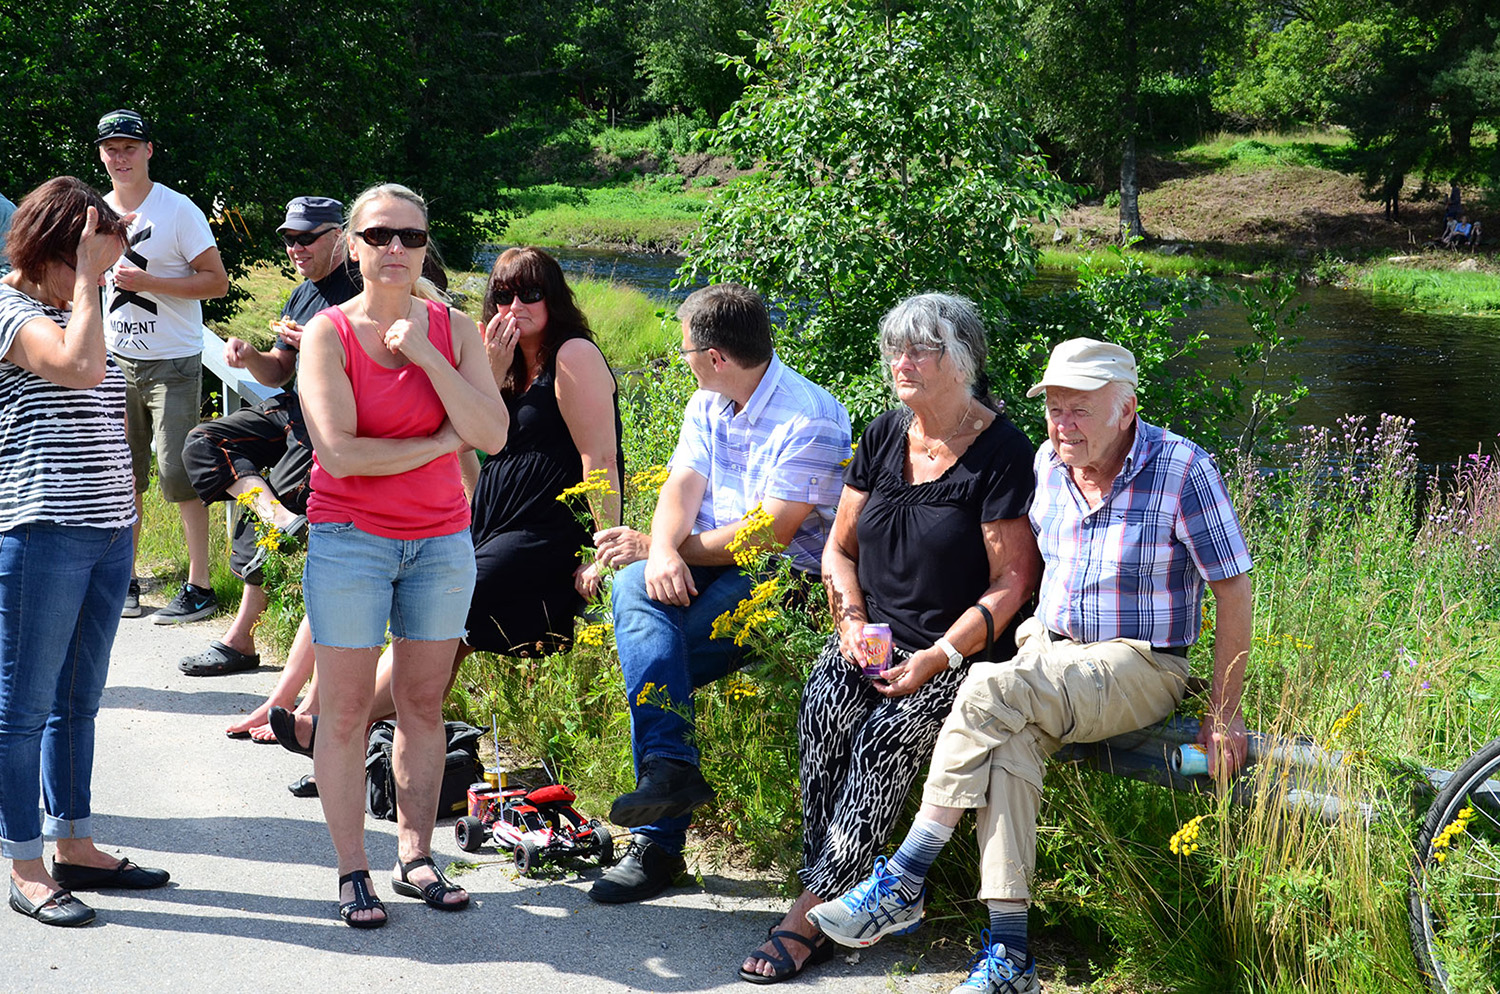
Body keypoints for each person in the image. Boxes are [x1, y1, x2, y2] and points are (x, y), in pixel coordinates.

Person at [807, 338, 1253, 994]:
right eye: (1055, 409)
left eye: (1079, 411)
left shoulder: (1183, 469)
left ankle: (904, 876)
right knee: (1008, 741)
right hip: (1047, 656)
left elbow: (1233, 589)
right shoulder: (1047, 462)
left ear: (1126, 408)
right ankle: (1011, 957)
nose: (1062, 425)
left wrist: (1224, 711)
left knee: (988, 686)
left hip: (1140, 663)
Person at [739, 294, 1041, 984]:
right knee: (824, 710)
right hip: (873, 636)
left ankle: (809, 918)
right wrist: (849, 622)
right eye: (895, 350)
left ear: (960, 361)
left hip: (958, 654)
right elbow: (838, 550)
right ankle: (841, 891)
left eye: (919, 350)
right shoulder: (883, 435)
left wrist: (939, 657)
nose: (900, 363)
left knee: (883, 739)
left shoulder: (1001, 452)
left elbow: (1012, 582)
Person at [265, 245, 625, 794]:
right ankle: (359, 752)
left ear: (555, 300)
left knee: (457, 601)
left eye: (531, 295)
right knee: (444, 636)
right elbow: (468, 446)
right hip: (490, 519)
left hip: (547, 529)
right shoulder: (498, 360)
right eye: (502, 295)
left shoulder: (572, 355)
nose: (515, 307)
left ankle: (335, 734)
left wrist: (602, 549)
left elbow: (599, 459)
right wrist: (492, 372)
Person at [588, 283, 851, 904]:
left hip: (787, 580)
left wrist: (671, 550)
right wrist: (657, 550)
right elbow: (682, 484)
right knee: (632, 584)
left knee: (654, 656)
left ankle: (658, 840)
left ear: (716, 357)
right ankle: (669, 773)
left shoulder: (809, 416)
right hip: (712, 560)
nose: (682, 360)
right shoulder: (709, 402)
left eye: (685, 351)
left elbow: (773, 533)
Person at [297, 183, 507, 928]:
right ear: (352, 245)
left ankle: (416, 856)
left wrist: (426, 354)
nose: (396, 249)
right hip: (351, 540)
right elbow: (341, 455)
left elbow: (493, 431)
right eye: (380, 235)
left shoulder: (450, 329)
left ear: (426, 247)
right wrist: (444, 440)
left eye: (411, 238)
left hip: (442, 541)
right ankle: (353, 870)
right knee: (348, 710)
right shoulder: (330, 334)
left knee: (423, 704)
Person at [0, 176, 171, 927]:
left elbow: (102, 415)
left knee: (78, 701)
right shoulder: (9, 308)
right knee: (23, 707)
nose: (99, 274)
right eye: (90, 259)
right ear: (51, 249)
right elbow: (79, 369)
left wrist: (129, 514)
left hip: (104, 531)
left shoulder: (78, 304)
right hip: (41, 533)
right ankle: (26, 862)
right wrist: (92, 286)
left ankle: (75, 842)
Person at [177, 196, 360, 689]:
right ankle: (276, 514)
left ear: (339, 237)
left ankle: (242, 640)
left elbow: (378, 366)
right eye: (288, 238)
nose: (295, 248)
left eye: (306, 238)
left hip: (332, 420)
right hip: (292, 409)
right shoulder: (303, 294)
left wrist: (324, 343)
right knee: (202, 442)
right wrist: (249, 355)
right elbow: (278, 371)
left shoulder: (361, 288)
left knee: (271, 514)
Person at [96, 109, 230, 622]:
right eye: (111, 149)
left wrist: (150, 283)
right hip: (115, 360)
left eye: (129, 147)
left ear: (149, 150)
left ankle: (200, 588)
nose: (120, 157)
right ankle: (123, 580)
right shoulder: (100, 211)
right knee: (120, 474)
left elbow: (215, 281)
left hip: (171, 360)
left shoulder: (177, 209)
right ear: (101, 155)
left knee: (178, 473)